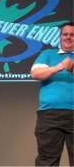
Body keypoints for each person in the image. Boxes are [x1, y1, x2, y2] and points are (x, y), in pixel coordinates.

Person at [28, 21, 74, 166]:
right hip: (49, 115)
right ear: (60, 37)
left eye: (72, 35)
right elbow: (36, 73)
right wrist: (60, 67)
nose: (68, 37)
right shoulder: (48, 54)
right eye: (65, 34)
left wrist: (72, 69)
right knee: (47, 160)